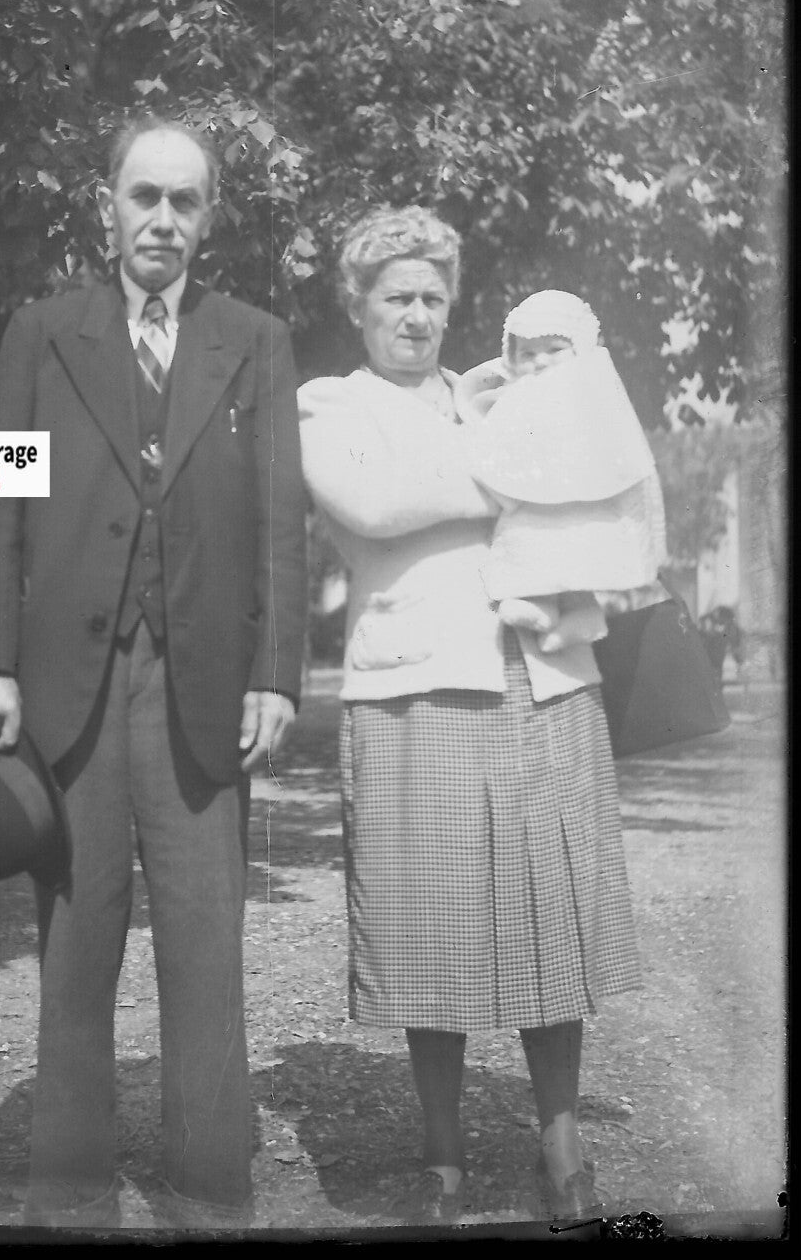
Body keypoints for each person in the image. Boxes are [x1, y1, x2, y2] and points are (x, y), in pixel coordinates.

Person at [0, 117, 308, 1229]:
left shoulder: (253, 340)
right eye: (142, 196)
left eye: (183, 200)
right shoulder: (41, 332)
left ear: (209, 217)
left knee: (206, 943)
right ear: (104, 204)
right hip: (72, 686)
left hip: (202, 687)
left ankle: (209, 1189)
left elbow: (280, 523)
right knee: (76, 940)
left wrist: (276, 675)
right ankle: (67, 1190)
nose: (161, 219)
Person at [297, 207, 639, 1225]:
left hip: (542, 677)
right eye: (395, 296)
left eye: (432, 298)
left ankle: (561, 1150)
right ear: (357, 306)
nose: (415, 315)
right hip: (416, 683)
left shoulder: (497, 388)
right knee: (429, 923)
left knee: (550, 914)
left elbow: (595, 473)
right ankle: (440, 1161)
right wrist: (525, 469)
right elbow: (375, 506)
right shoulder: (329, 404)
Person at [454, 289, 668, 651]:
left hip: (587, 504)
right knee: (530, 545)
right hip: (531, 502)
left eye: (554, 350)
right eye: (527, 354)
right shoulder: (516, 397)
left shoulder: (596, 395)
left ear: (580, 349)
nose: (540, 362)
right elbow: (490, 426)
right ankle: (536, 601)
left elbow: (623, 453)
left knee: (580, 552)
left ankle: (583, 610)